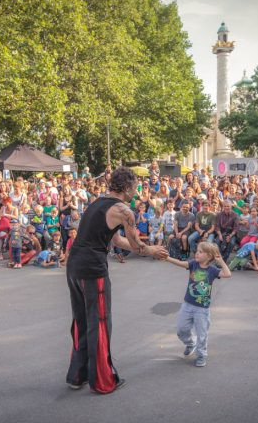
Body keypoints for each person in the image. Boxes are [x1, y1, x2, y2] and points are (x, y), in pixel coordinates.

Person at [66, 166, 168, 394]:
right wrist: (153, 250)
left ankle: (77, 375)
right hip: (92, 269)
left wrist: (149, 249)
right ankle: (103, 381)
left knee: (81, 320)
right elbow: (137, 247)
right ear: (127, 186)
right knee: (99, 322)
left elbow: (117, 241)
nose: (137, 191)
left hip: (74, 266)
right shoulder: (123, 210)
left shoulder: (97, 203)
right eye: (135, 187)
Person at [165, 242, 231, 367]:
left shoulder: (212, 270)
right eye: (197, 251)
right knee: (181, 330)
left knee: (202, 334)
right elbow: (181, 263)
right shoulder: (193, 264)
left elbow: (227, 274)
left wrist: (221, 261)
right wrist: (167, 258)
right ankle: (190, 343)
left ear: (209, 256)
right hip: (187, 305)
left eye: (200, 252)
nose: (197, 253)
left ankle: (201, 355)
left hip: (202, 309)